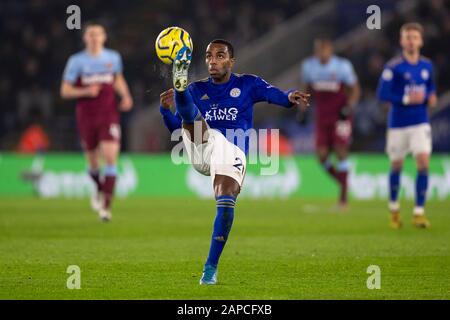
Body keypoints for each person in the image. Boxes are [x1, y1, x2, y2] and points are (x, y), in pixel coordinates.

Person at [159, 39, 310, 285]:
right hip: (202, 147)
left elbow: (276, 95)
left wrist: (289, 95)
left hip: (231, 151)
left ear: (231, 61)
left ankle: (210, 268)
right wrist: (166, 111)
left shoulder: (248, 84)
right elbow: (178, 129)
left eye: (220, 56)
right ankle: (180, 85)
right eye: (209, 56)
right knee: (192, 117)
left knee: (226, 204)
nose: (213, 61)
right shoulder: (198, 89)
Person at [60, 22, 133, 221]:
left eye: (98, 34)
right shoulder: (76, 61)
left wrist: (125, 95)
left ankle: (106, 208)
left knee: (110, 159)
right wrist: (85, 91)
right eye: (90, 34)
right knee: (93, 163)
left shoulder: (113, 58)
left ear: (104, 37)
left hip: (109, 115)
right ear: (85, 38)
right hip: (86, 116)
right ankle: (99, 188)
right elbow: (65, 91)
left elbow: (117, 79)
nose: (94, 38)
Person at [377, 22, 437, 229]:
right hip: (398, 124)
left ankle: (419, 213)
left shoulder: (427, 66)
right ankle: (394, 209)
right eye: (407, 37)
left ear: (420, 41)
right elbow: (382, 94)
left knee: (423, 162)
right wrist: (405, 99)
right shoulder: (393, 67)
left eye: (414, 37)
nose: (411, 41)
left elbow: (430, 88)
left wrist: (431, 97)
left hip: (420, 121)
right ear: (402, 41)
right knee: (397, 165)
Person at [299, 38, 360, 209]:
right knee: (322, 156)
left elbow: (355, 89)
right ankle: (343, 183)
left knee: (341, 152)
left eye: (323, 50)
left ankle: (343, 199)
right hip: (322, 117)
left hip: (340, 116)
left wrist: (349, 107)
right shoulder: (309, 67)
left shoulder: (342, 66)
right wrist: (302, 110)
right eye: (318, 50)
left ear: (330, 50)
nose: (320, 53)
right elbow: (305, 89)